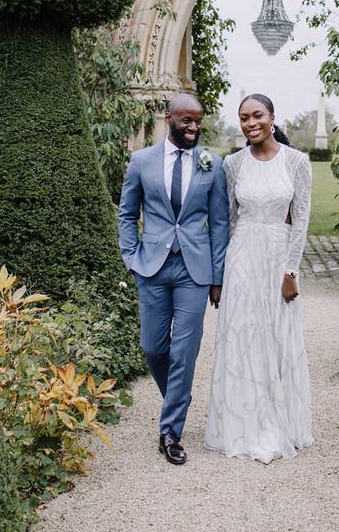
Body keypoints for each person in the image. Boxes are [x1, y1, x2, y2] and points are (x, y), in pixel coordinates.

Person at [118, 93, 229, 466]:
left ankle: (171, 431)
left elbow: (219, 224)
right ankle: (178, 397)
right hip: (151, 267)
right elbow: (127, 213)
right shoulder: (141, 161)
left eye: (199, 121)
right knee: (152, 347)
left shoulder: (212, 165)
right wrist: (131, 257)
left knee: (184, 351)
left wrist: (217, 277)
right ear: (169, 118)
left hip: (194, 272)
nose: (194, 128)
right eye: (187, 121)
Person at [205, 93, 313, 462]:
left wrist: (291, 271)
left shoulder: (297, 161)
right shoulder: (231, 164)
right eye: (244, 118)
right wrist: (220, 274)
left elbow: (300, 221)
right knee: (244, 335)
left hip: (279, 256)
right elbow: (228, 220)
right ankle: (243, 423)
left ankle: (281, 420)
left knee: (277, 337)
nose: (251, 124)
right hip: (243, 256)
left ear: (271, 117)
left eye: (257, 116)